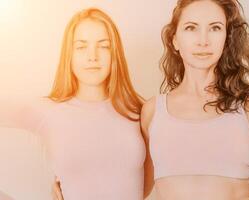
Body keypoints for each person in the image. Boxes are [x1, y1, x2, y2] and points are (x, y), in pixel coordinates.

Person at [141, 0, 249, 200]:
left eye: (215, 28)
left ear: (227, 38)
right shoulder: (153, 111)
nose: (203, 41)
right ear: (175, 40)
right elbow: (131, 187)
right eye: (191, 28)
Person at [0, 8, 145, 200]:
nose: (92, 56)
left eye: (103, 46)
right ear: (69, 53)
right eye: (81, 46)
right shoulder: (48, 110)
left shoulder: (139, 109)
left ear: (115, 53)